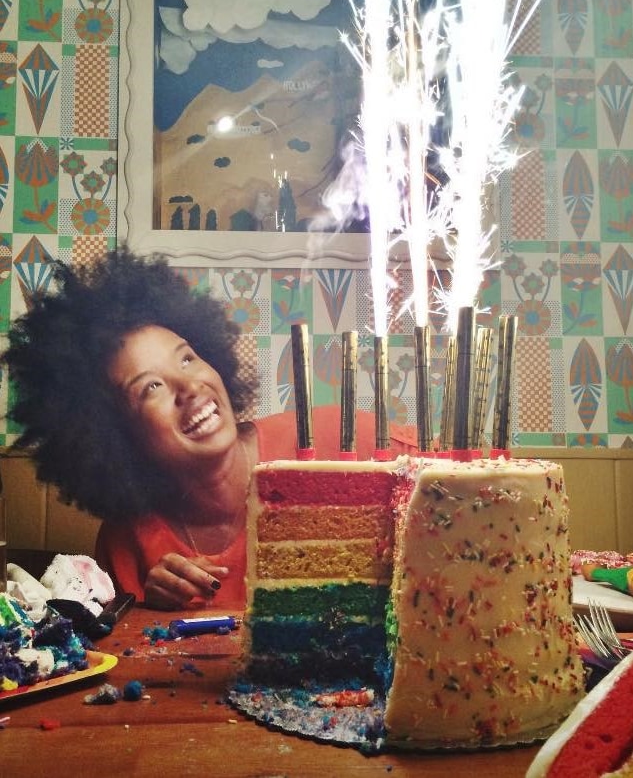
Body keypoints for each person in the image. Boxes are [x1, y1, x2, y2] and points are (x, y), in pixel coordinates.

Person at [2, 248, 417, 611]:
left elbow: (466, 493)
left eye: (186, 359)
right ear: (112, 436)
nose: (190, 387)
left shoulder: (344, 440)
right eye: (151, 388)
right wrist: (150, 607)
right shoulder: (128, 542)